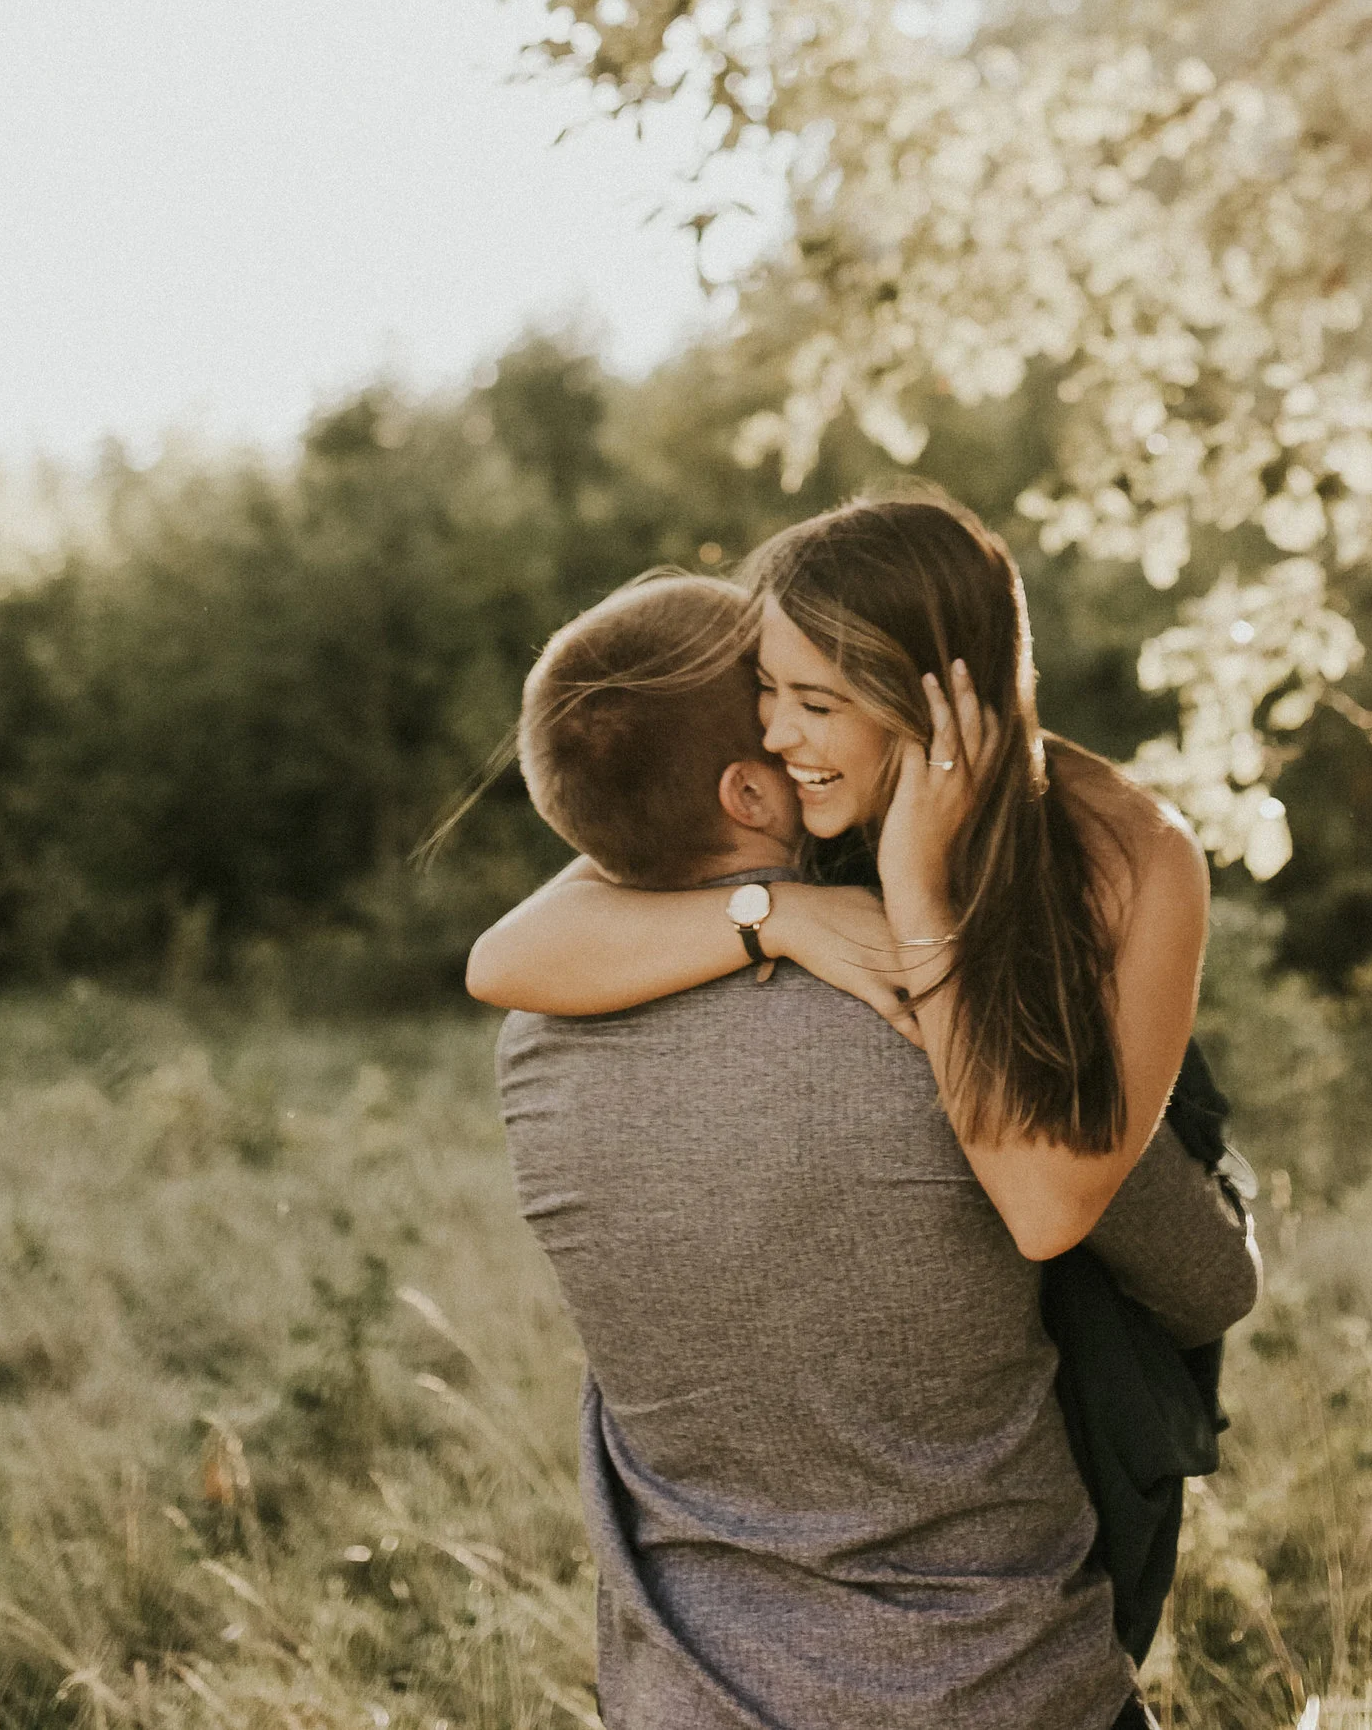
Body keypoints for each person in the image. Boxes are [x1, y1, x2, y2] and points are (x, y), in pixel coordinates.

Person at [483, 570, 1257, 1728]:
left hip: (684, 1699)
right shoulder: (942, 1017)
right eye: (784, 708)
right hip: (1003, 1691)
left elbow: (597, 840)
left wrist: (772, 909)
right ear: (750, 788)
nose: (816, 729)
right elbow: (1207, 1279)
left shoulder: (533, 1044)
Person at [469, 492, 1218, 1266]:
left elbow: (1045, 1211)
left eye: (817, 702)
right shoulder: (816, 791)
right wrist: (779, 914)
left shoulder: (1140, 855)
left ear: (923, 699)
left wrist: (918, 889)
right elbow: (501, 959)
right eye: (767, 683)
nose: (774, 731)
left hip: (1123, 1309)